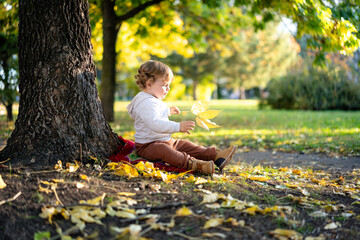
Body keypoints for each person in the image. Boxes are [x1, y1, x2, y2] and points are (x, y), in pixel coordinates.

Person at [126, 60, 236, 176]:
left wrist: (167, 111)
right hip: (148, 146)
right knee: (166, 151)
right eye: (164, 85)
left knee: (185, 145)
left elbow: (151, 116)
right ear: (149, 84)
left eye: (168, 85)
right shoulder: (146, 102)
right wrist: (178, 126)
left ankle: (216, 155)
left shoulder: (151, 99)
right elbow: (154, 123)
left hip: (164, 140)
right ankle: (195, 164)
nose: (168, 89)